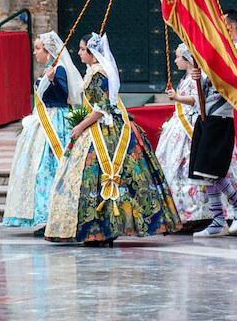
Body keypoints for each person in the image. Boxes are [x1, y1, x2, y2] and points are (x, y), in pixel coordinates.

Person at [45, 32, 180, 245]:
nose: (79, 53)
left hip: (104, 130)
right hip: (99, 127)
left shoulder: (100, 74)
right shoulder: (94, 72)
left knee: (100, 177)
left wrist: (80, 127)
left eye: (82, 49)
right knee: (95, 180)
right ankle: (100, 229)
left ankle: (103, 229)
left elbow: (102, 108)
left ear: (92, 53)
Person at [156, 42, 237, 226]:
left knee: (210, 171)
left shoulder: (227, 77)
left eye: (178, 57)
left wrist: (179, 96)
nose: (175, 60)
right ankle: (217, 219)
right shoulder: (201, 76)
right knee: (203, 173)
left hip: (214, 124)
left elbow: (199, 101)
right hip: (203, 124)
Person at [3, 31, 83, 232]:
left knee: (47, 169)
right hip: (44, 120)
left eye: (38, 48)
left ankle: (52, 217)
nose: (34, 52)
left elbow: (65, 93)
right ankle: (43, 216)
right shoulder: (50, 67)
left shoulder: (59, 69)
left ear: (48, 52)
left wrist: (55, 79)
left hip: (56, 122)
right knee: (40, 170)